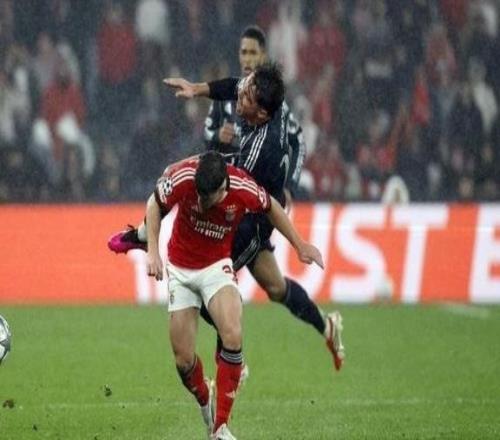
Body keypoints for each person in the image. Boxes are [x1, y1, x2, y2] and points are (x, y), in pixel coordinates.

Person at [110, 61, 345, 371]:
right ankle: (327, 326)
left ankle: (232, 356)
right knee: (276, 288)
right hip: (255, 199)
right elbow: (235, 85)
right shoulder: (261, 98)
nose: (239, 98)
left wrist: (195, 160)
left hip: (253, 220)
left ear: (262, 114)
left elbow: (229, 181)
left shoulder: (263, 148)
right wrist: (197, 89)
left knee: (209, 278)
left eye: (246, 98)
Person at [145, 151, 323, 440]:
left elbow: (272, 207)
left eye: (208, 198)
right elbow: (155, 203)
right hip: (180, 269)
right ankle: (205, 396)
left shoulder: (242, 187)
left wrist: (300, 244)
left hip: (216, 267)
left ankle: (220, 428)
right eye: (199, 195)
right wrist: (153, 251)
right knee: (183, 361)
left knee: (232, 333)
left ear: (223, 187)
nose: (201, 202)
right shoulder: (186, 176)